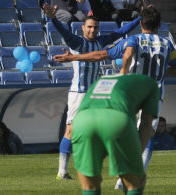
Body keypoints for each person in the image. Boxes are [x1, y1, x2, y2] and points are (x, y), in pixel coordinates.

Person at [52, 6, 176, 189]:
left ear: (141, 24)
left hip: (130, 96)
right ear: (158, 25)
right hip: (152, 98)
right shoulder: (166, 44)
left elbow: (103, 54)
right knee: (146, 138)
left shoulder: (133, 40)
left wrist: (74, 58)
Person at [43, 3, 141, 180]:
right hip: (79, 93)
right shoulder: (77, 42)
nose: (92, 30)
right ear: (83, 28)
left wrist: (143, 18)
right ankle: (62, 171)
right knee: (71, 131)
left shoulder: (100, 42)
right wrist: (52, 18)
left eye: (95, 27)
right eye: (89, 27)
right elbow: (63, 32)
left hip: (96, 93)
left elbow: (121, 32)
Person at [72, 73, 160, 195]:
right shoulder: (152, 84)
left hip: (82, 121)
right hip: (117, 119)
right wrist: (135, 163)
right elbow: (146, 126)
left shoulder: (101, 79)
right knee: (135, 184)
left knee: (90, 186)